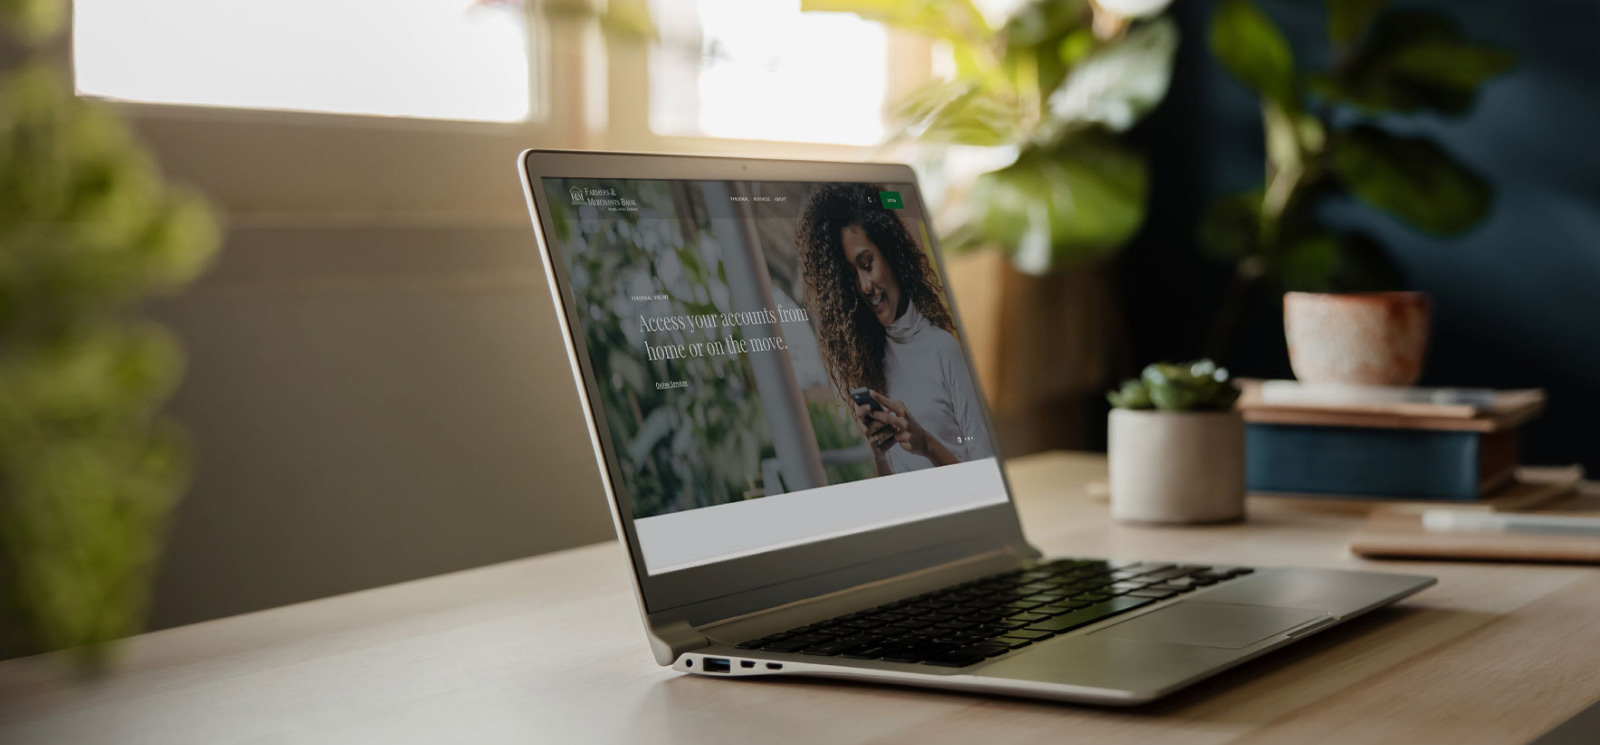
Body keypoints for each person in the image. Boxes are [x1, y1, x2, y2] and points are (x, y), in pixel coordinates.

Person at [795, 183, 993, 476]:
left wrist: (927, 444)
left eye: (867, 264)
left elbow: (986, 477)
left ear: (890, 253)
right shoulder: (872, 365)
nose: (864, 286)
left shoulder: (943, 349)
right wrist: (880, 452)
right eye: (853, 276)